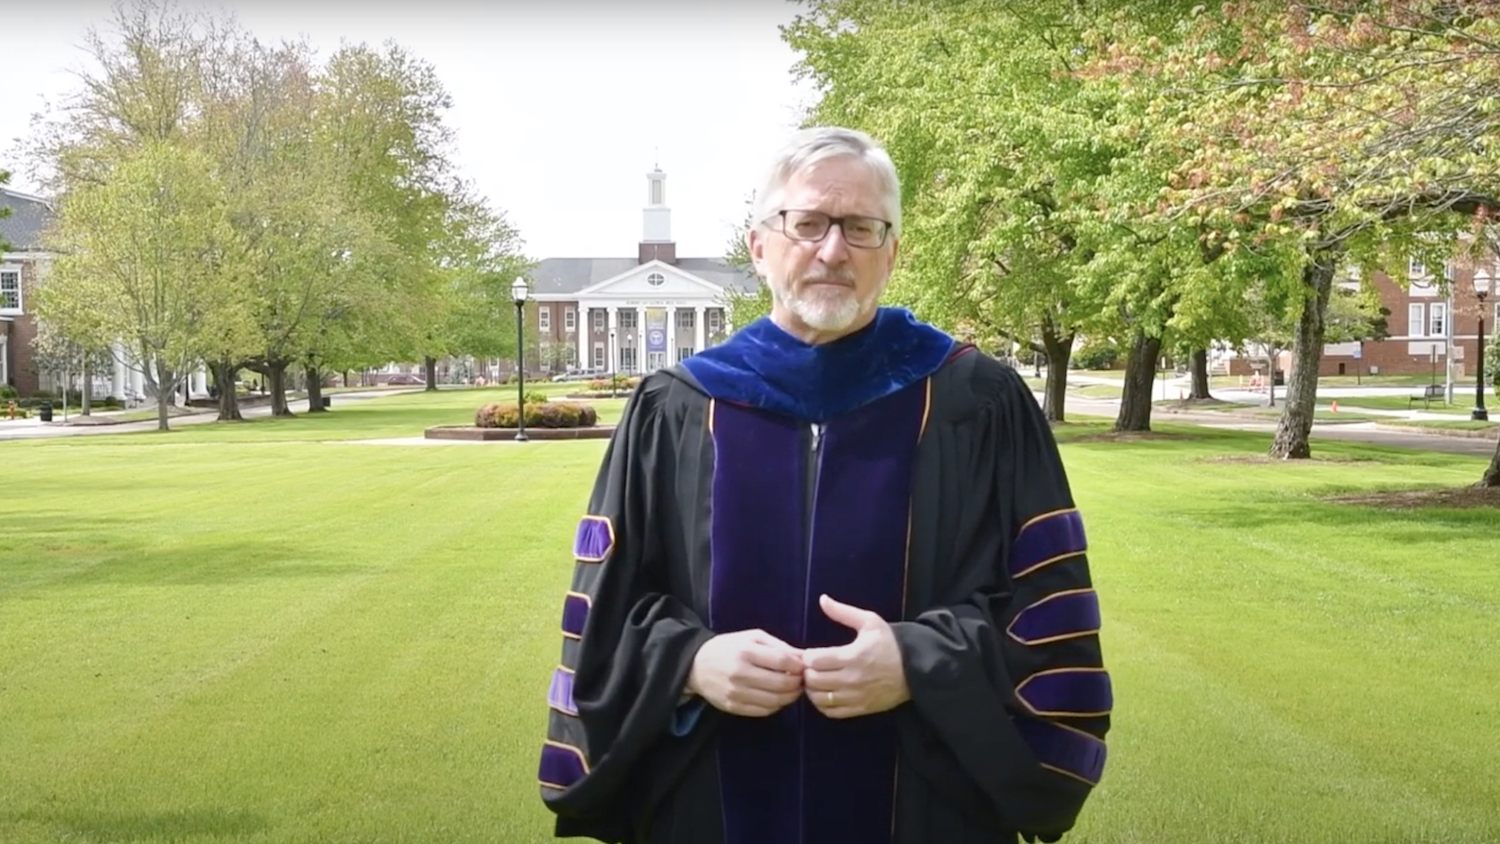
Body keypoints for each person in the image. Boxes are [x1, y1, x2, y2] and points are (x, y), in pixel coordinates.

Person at [538, 127, 1110, 844]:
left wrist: (917, 663)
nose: (832, 251)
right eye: (806, 223)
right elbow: (606, 614)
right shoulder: (678, 406)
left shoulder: (975, 399)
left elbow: (1048, 614)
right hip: (709, 804)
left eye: (861, 228)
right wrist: (690, 661)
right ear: (759, 246)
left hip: (924, 812)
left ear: (892, 251)